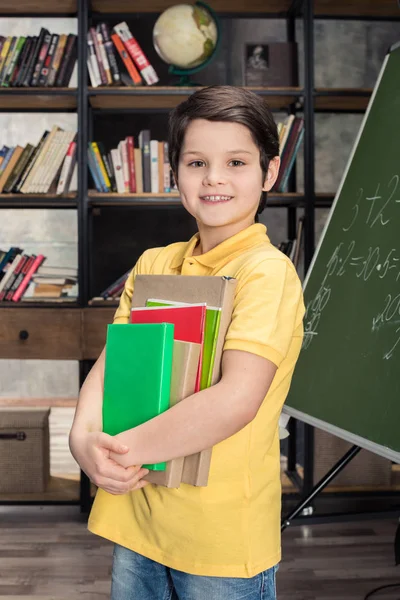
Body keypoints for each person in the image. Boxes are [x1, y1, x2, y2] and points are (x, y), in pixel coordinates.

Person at [69, 85, 305, 600]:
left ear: (269, 173)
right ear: (176, 174)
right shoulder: (154, 263)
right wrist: (82, 442)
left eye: (236, 162)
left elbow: (236, 399)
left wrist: (119, 453)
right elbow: (110, 369)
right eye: (197, 162)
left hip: (219, 536)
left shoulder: (267, 272)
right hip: (136, 520)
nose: (214, 177)